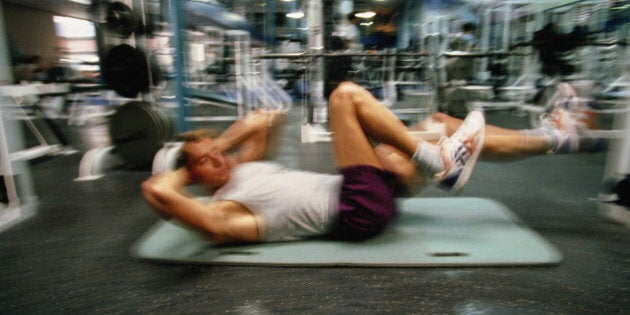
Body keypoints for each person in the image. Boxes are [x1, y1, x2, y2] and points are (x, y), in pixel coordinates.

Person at [141, 80, 600, 244]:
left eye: (217, 154)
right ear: (191, 178)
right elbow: (155, 191)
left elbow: (265, 119)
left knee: (442, 122)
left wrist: (210, 145)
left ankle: (557, 138)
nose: (219, 159)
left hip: (367, 194)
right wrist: (185, 163)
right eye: (206, 162)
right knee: (345, 95)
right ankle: (434, 159)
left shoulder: (240, 168)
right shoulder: (222, 210)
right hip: (357, 211)